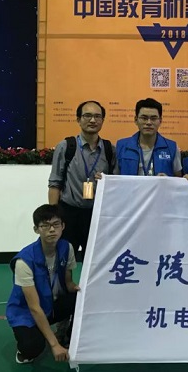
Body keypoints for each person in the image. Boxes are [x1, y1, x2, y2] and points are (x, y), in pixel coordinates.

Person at [6, 204, 80, 364]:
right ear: (36, 229)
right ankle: (26, 347)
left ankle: (67, 335)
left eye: (56, 224)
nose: (52, 230)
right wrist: (54, 345)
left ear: (63, 226)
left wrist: (81, 290)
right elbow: (34, 307)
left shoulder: (67, 248)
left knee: (81, 299)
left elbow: (68, 283)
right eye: (45, 226)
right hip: (27, 312)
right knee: (32, 348)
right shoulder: (24, 261)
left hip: (51, 306)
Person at [48, 100, 116, 261]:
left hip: (96, 215)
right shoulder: (66, 146)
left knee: (94, 261)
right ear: (78, 119)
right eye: (87, 116)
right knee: (63, 259)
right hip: (69, 213)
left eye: (97, 116)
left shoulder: (109, 150)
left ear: (103, 120)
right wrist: (54, 218)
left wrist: (106, 180)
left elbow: (115, 185)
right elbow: (55, 183)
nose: (93, 120)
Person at [116, 98, 182, 176]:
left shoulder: (172, 147)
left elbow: (178, 178)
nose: (149, 122)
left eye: (153, 118)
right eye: (144, 118)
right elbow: (114, 177)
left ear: (160, 121)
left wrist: (168, 180)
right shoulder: (121, 146)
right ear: (136, 120)